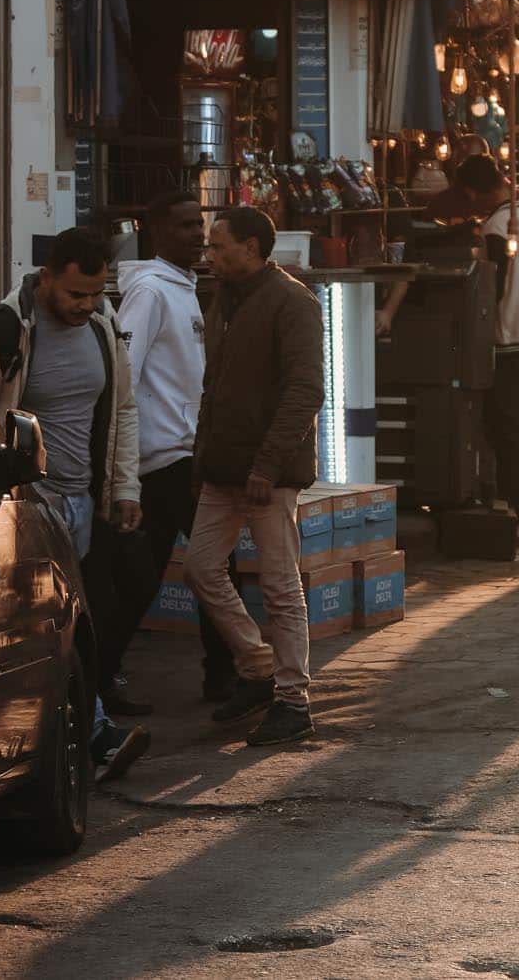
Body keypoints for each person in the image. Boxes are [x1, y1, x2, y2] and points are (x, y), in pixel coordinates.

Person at [0, 225, 150, 781]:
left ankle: (38, 745)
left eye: (95, 294)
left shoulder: (102, 326)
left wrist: (123, 487)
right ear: (46, 278)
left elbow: (122, 411)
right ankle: (93, 737)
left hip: (81, 506)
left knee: (54, 628)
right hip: (27, 507)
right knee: (53, 625)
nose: (86, 305)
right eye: (75, 295)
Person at [188, 207, 324, 748]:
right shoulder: (224, 296)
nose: (209, 255)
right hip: (224, 467)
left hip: (268, 473)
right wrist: (205, 459)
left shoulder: (292, 302)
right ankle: (258, 664)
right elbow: (214, 386)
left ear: (251, 246)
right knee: (200, 567)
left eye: (219, 247)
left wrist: (267, 466)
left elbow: (305, 392)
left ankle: (294, 700)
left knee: (280, 586)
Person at [115, 190, 237, 705]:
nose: (198, 234)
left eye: (200, 224)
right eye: (186, 225)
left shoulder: (186, 288)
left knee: (166, 573)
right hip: (162, 458)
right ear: (158, 233)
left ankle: (219, 673)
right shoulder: (150, 292)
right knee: (206, 569)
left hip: (185, 451)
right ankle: (224, 674)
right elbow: (125, 371)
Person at [454, 156, 519, 540]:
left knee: (508, 427)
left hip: (512, 337)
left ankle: (517, 510)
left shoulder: (498, 227)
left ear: (473, 191)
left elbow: (490, 292)